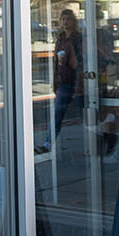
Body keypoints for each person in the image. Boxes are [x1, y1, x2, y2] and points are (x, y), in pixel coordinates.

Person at [36, 8, 83, 154]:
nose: (65, 22)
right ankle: (48, 143)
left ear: (73, 21)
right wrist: (56, 78)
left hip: (77, 79)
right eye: (63, 19)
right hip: (64, 80)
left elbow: (79, 60)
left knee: (84, 113)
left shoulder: (77, 38)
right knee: (57, 112)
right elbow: (56, 61)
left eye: (68, 19)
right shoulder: (60, 38)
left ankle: (99, 142)